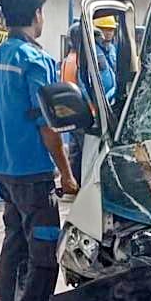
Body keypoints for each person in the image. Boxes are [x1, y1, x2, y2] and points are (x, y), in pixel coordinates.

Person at [0, 0, 78, 301]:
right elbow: (48, 129)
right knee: (44, 247)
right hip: (33, 172)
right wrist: (68, 176)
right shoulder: (36, 61)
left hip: (4, 169)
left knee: (14, 242)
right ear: (37, 14)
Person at [60, 21, 87, 187]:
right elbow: (83, 89)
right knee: (85, 152)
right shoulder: (78, 61)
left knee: (76, 151)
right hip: (82, 113)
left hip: (70, 113)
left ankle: (76, 182)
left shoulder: (67, 59)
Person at [92, 15, 119, 104]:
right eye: (104, 29)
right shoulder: (91, 50)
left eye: (111, 29)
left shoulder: (112, 49)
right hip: (98, 101)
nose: (108, 33)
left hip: (112, 99)